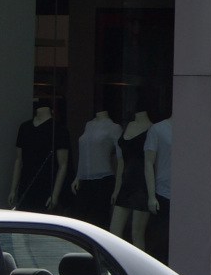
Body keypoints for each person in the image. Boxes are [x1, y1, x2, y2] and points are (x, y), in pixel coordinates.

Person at [8, 103, 69, 213]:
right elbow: (19, 160)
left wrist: (55, 195)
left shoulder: (59, 130)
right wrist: (13, 189)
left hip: (46, 187)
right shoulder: (24, 127)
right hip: (25, 186)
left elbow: (63, 165)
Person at [70, 109, 122, 229]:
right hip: (85, 181)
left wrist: (117, 188)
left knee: (98, 220)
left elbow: (121, 159)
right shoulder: (89, 125)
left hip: (103, 180)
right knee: (80, 219)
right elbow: (85, 153)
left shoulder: (114, 128)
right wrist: (78, 176)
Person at [110, 109, 153, 250]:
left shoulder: (152, 129)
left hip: (142, 185)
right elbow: (121, 162)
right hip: (126, 183)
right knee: (114, 231)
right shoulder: (128, 126)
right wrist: (117, 189)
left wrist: (152, 194)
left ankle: (140, 269)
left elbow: (150, 161)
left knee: (137, 234)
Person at [143, 116, 172, 263]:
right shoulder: (158, 129)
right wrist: (151, 195)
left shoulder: (191, 129)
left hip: (186, 194)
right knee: (161, 239)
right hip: (163, 193)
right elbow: (148, 162)